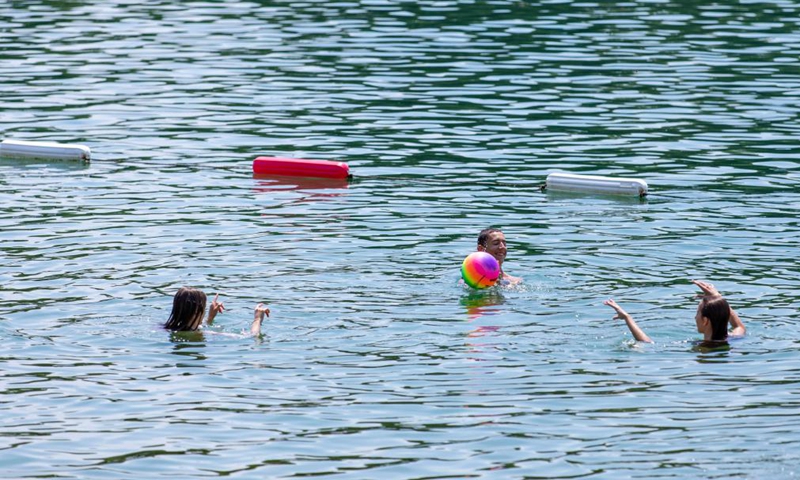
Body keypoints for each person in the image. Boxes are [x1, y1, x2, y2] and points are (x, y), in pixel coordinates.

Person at [603, 280, 746, 345]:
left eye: (697, 313)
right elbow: (740, 326)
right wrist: (717, 297)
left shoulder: (700, 348)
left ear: (705, 321)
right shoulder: (734, 338)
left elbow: (648, 343)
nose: (694, 317)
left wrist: (627, 318)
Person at [164, 287, 270, 336]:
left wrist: (210, 318)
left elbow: (193, 325)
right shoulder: (201, 334)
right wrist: (257, 319)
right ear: (197, 312)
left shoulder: (168, 329)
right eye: (204, 308)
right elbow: (252, 336)